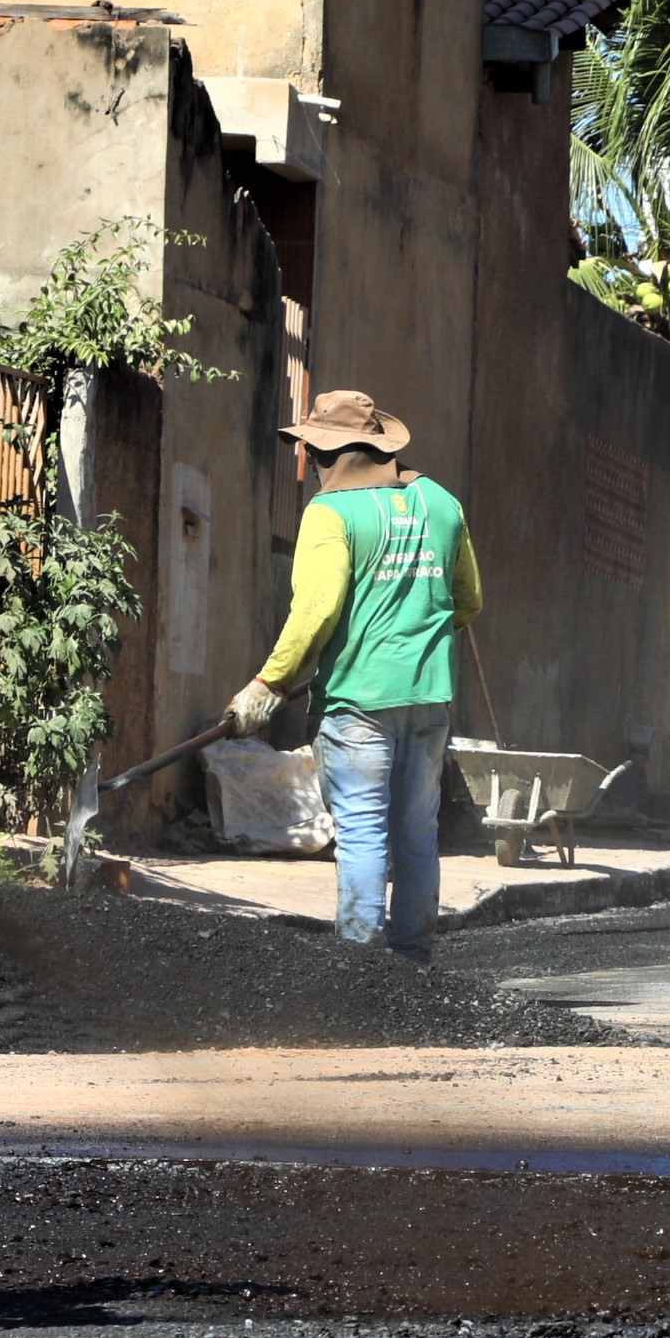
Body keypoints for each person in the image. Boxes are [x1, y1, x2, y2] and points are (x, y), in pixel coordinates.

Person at [221, 389, 479, 957]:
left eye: (312, 451)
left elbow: (316, 611)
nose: (311, 462)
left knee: (362, 832)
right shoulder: (441, 503)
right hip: (429, 698)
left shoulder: (330, 513)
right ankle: (412, 962)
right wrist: (415, 641)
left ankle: (362, 966)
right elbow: (468, 602)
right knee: (417, 833)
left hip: (357, 704)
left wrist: (269, 683)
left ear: (326, 455)